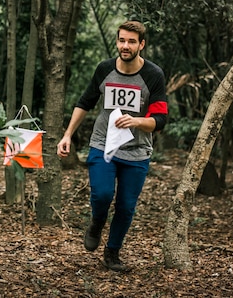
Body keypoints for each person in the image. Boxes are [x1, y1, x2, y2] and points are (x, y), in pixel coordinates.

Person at [57, 20, 168, 272]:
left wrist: (138, 120)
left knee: (126, 206)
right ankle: (97, 222)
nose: (125, 46)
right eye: (121, 40)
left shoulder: (153, 75)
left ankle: (112, 253)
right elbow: (85, 102)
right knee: (102, 194)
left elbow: (160, 119)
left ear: (142, 44)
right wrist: (67, 135)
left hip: (137, 151)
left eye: (131, 41)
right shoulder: (104, 69)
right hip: (102, 144)